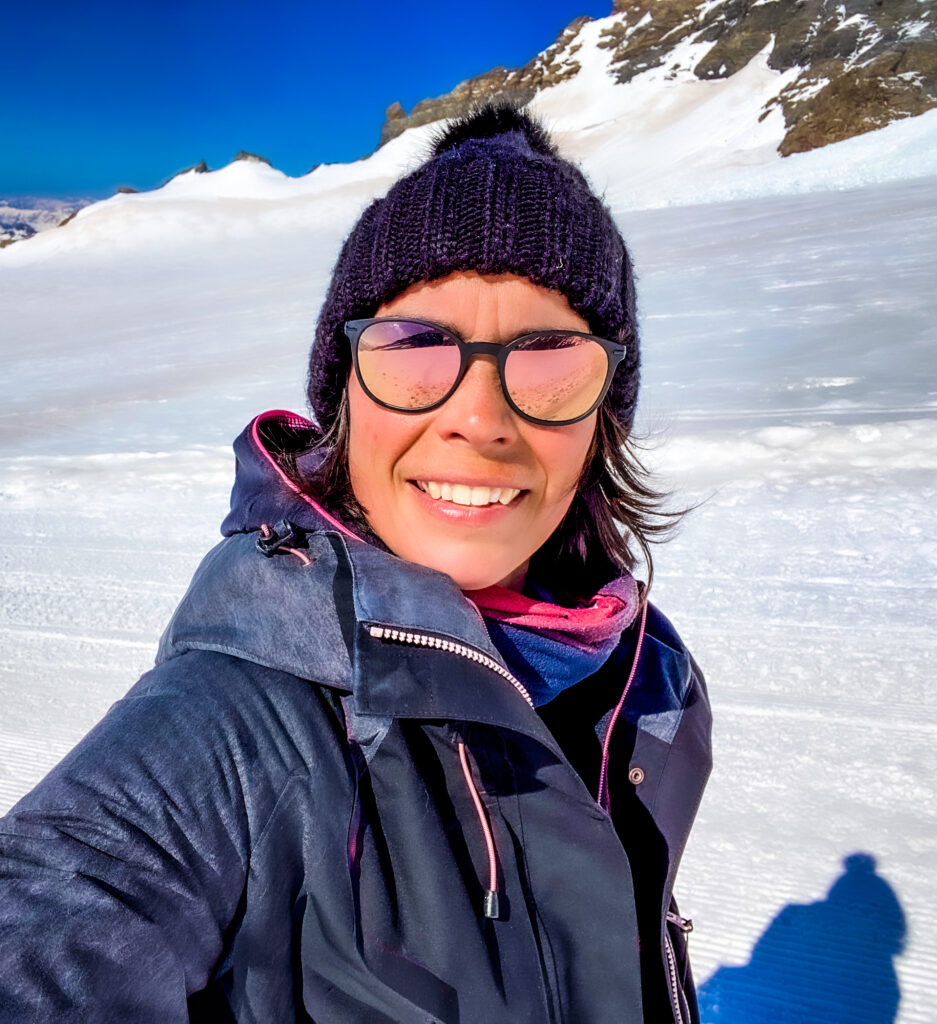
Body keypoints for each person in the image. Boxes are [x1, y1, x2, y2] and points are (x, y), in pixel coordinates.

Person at [0, 104, 711, 1023]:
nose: (480, 418)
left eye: (548, 361)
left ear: (602, 414)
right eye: (416, 350)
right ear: (342, 398)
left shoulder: (646, 685)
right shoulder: (232, 727)